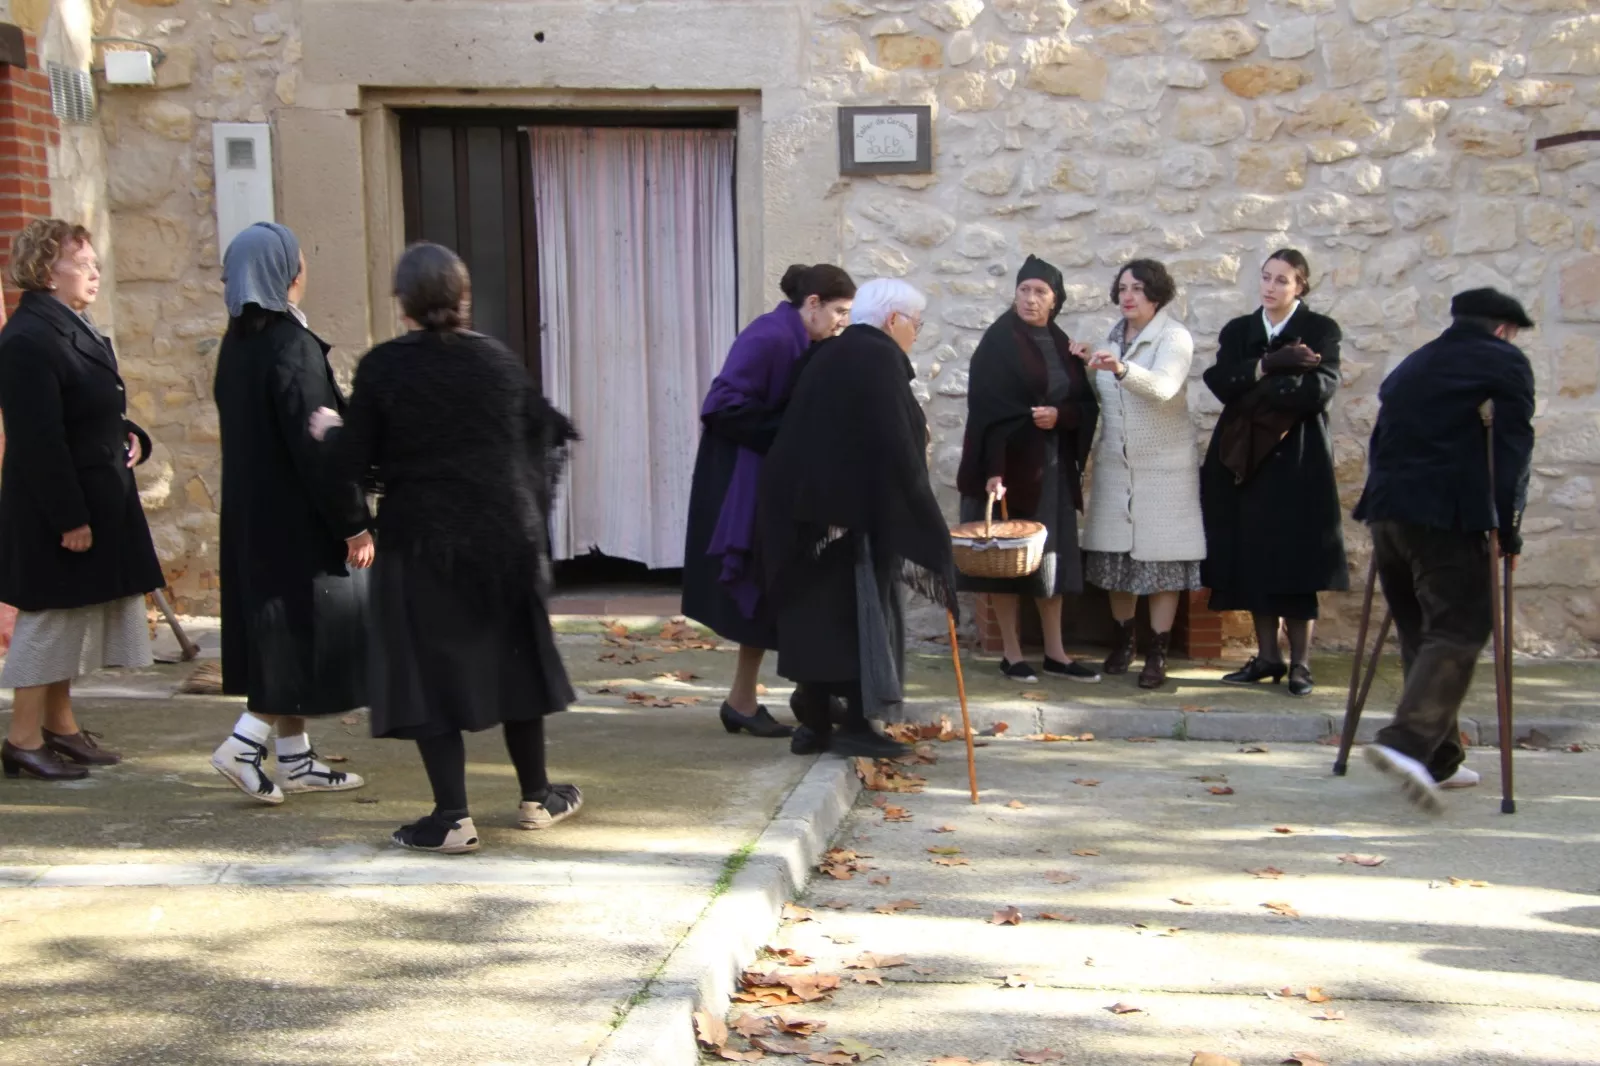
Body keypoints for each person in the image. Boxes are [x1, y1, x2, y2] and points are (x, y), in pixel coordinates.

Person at [323, 242, 581, 854]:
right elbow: (546, 432)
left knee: (428, 671)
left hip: (425, 542)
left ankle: (452, 816)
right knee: (514, 662)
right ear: (463, 298)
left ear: (404, 302)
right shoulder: (496, 360)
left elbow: (352, 462)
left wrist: (331, 432)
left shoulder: (386, 366)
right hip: (503, 539)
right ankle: (537, 796)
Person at [209, 223, 374, 805]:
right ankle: (244, 744)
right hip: (297, 521)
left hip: (257, 517)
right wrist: (353, 521)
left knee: (285, 636)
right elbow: (317, 445)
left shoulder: (239, 345)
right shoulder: (291, 347)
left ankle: (296, 759)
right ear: (288, 274)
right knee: (301, 637)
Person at [1354, 288, 1535, 812]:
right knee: (1461, 625)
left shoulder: (1415, 363)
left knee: (1421, 632)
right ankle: (1406, 742)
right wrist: (1510, 529)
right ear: (1504, 328)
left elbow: (1380, 438)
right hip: (1444, 514)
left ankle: (1439, 757)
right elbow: (1513, 450)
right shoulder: (1505, 361)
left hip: (1386, 511)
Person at [759, 278, 957, 759]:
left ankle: (815, 721)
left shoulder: (831, 352)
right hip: (848, 519)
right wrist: (922, 516)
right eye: (916, 323)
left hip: (807, 518)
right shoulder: (877, 358)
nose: (916, 333)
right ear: (894, 320)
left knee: (820, 617)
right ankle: (853, 725)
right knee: (860, 617)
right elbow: (893, 443)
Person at [0, 219, 163, 780]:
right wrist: (69, 517)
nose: (95, 271)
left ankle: (60, 726)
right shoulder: (26, 339)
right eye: (84, 262)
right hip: (55, 506)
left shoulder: (72, 326)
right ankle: (22, 738)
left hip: (96, 492)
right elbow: (38, 439)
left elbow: (90, 407)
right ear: (49, 270)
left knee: (71, 616)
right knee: (48, 619)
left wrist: (131, 435)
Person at [682, 264, 856, 738]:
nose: (843, 321)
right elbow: (720, 406)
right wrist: (791, 433)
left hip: (765, 476)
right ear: (814, 303)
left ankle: (765, 697)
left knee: (775, 588)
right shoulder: (772, 336)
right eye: (839, 311)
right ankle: (780, 696)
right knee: (765, 586)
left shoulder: (798, 337)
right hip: (741, 479)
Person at [1200, 250, 1347, 698]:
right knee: (1252, 558)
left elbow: (1320, 390)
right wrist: (1270, 365)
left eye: (1282, 280)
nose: (1271, 287)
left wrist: (1258, 385)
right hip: (1244, 459)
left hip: (1298, 461)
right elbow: (1221, 383)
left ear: (1300, 286)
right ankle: (1267, 656)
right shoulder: (1240, 331)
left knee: (1296, 560)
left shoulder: (1321, 330)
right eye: (1266, 277)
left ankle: (1300, 662)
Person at [956, 255, 1100, 684]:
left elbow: (1085, 404)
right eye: (1024, 290)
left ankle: (1056, 653)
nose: (1030, 299)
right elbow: (986, 410)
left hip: (1052, 468)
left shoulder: (1061, 342)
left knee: (1050, 559)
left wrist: (1061, 417)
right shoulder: (998, 341)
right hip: (1008, 467)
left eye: (1040, 292)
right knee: (1006, 558)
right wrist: (993, 471)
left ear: (1055, 301)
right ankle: (1011, 653)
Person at [1080, 259, 1204, 690]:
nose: (1127, 296)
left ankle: (1158, 652)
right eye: (1123, 288)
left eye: (1138, 288)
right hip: (1117, 467)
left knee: (1162, 565)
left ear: (1157, 295)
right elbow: (1099, 391)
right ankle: (1125, 642)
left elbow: (1163, 387)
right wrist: (1086, 363)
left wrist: (1121, 369)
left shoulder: (1174, 337)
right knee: (1117, 562)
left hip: (1164, 471)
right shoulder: (1111, 337)